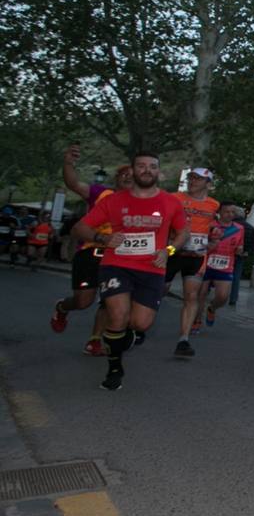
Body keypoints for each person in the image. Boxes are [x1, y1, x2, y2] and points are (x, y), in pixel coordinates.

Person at [71, 152, 188, 390]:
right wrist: (102, 237)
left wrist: (169, 250)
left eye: (152, 167)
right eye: (141, 166)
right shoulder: (113, 201)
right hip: (116, 265)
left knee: (141, 323)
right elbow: (79, 228)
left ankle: (127, 337)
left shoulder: (171, 202)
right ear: (132, 171)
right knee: (117, 316)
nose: (147, 170)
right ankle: (115, 367)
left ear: (159, 172)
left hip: (152, 269)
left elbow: (184, 233)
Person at [52, 147, 134, 354]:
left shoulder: (141, 203)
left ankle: (95, 340)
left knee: (110, 300)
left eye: (132, 176)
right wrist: (69, 163)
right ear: (116, 178)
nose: (127, 177)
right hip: (91, 251)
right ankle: (62, 308)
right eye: (124, 173)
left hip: (118, 258)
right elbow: (72, 183)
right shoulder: (100, 193)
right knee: (83, 301)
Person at [166, 167, 221, 358]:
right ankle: (138, 325)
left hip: (196, 256)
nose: (193, 181)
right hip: (172, 251)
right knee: (160, 289)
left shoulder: (214, 205)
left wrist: (213, 238)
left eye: (198, 179)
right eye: (191, 178)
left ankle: (183, 339)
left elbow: (212, 226)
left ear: (208, 184)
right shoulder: (175, 198)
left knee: (191, 296)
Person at [198, 205, 245, 327]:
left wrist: (240, 249)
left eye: (232, 212)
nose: (230, 214)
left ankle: (212, 308)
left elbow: (240, 244)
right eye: (227, 211)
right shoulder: (210, 225)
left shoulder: (239, 228)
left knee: (223, 296)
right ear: (220, 213)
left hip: (226, 265)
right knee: (201, 294)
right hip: (205, 263)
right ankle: (196, 320)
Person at [227, 210, 254, 307]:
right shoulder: (250, 227)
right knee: (236, 276)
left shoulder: (231, 225)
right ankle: (233, 298)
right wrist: (248, 252)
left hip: (228, 253)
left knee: (222, 274)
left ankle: (219, 293)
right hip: (241, 254)